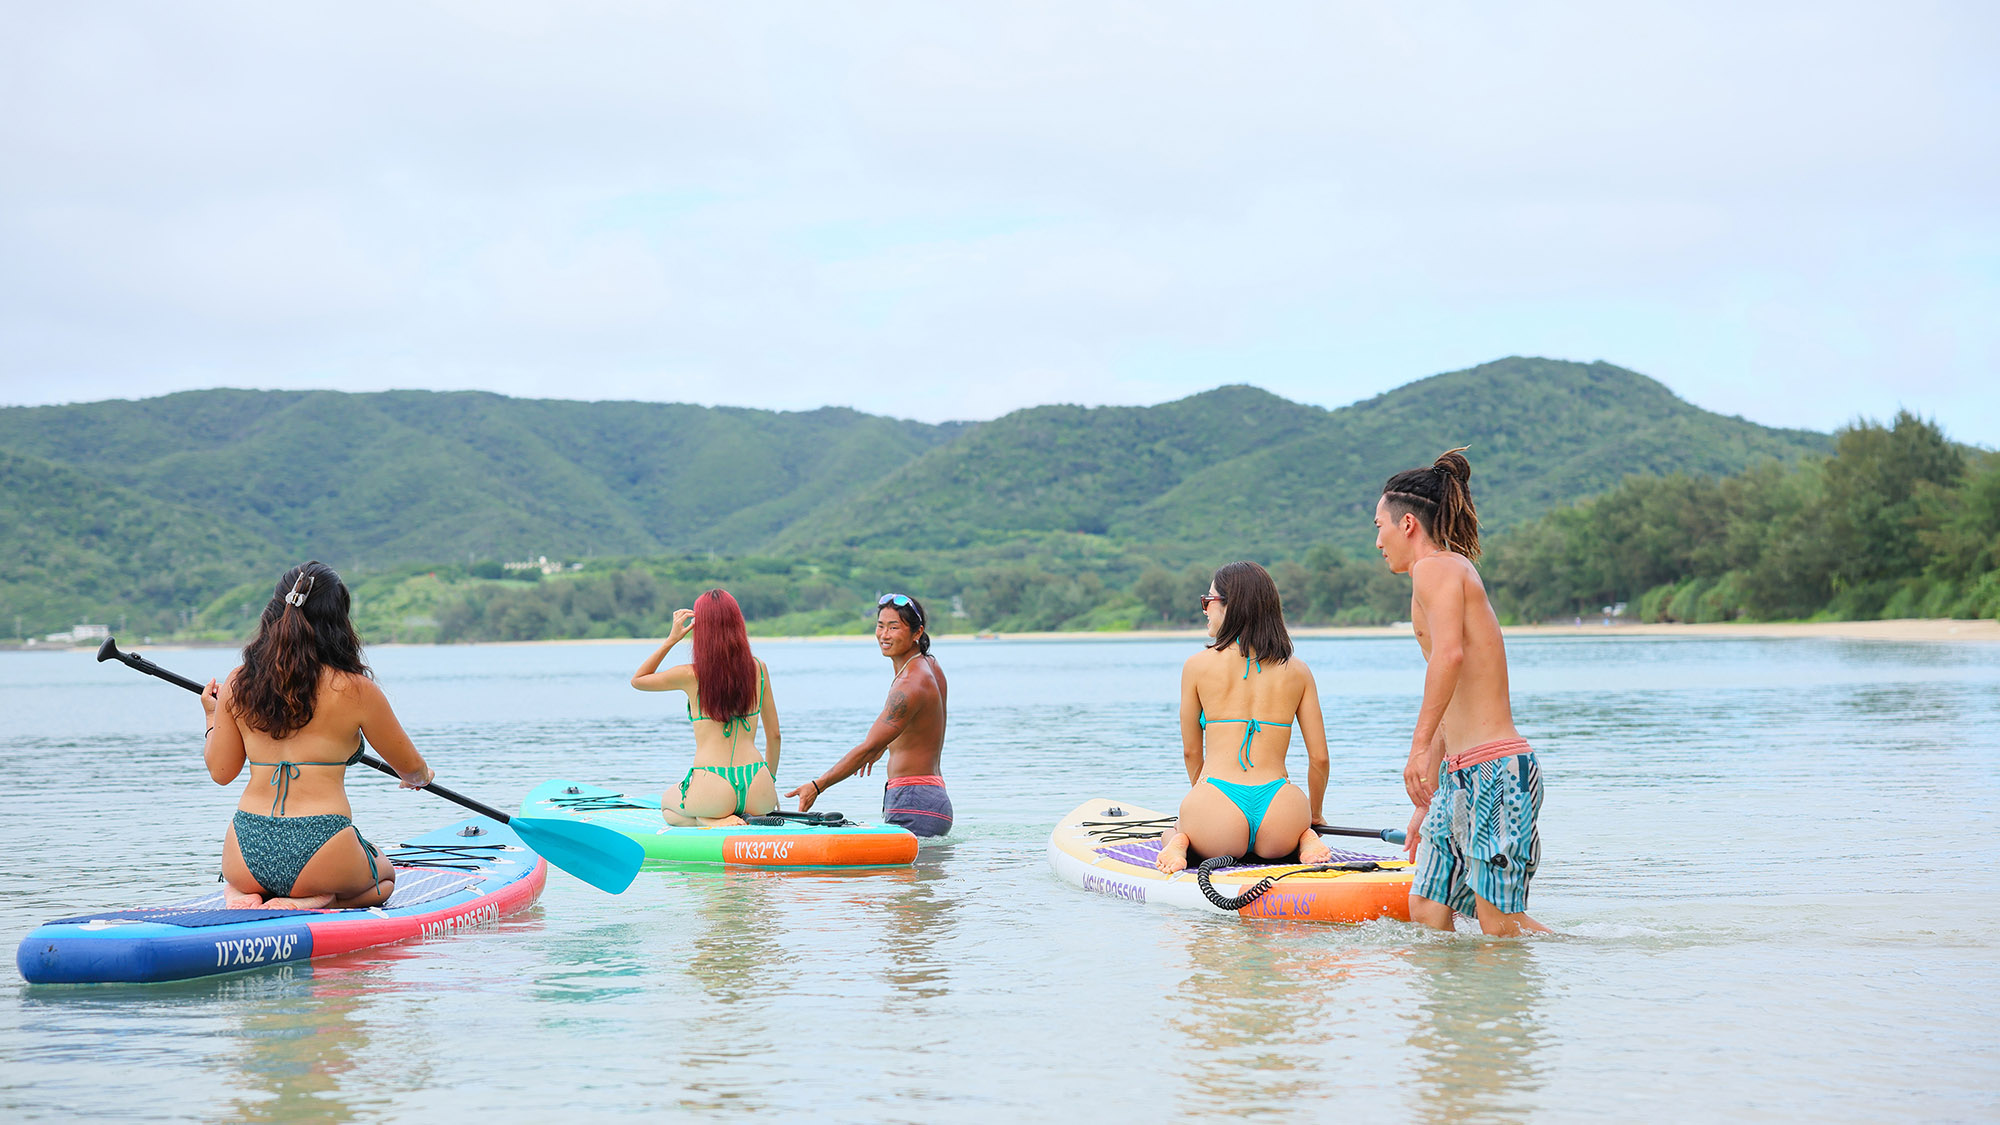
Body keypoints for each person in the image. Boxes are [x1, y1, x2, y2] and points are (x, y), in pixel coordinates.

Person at [1375, 448, 1550, 936]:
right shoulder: (1430, 579)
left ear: (1407, 524)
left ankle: (1595, 962)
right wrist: (1424, 799)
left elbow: (1449, 656)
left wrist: (1414, 748)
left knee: (1499, 923)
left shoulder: (1437, 569)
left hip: (1494, 770)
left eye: (1379, 527)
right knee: (1428, 909)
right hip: (1458, 775)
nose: (1378, 541)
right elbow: (1452, 692)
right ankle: (1455, 1012)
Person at [203, 562, 434, 910]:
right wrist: (420, 777)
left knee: (252, 880)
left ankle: (242, 895)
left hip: (246, 846)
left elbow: (221, 773)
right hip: (322, 845)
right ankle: (315, 900)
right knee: (385, 878)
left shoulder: (238, 683)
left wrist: (211, 715)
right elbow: (411, 769)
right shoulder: (357, 690)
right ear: (338, 621)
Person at [1156, 562, 1334, 874]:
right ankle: (1306, 838)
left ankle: (1179, 842)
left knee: (1170, 829)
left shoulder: (1197, 666)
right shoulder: (1298, 670)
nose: (1204, 610)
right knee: (1300, 828)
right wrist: (1313, 815)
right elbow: (1319, 758)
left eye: (1207, 601)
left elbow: (1191, 751)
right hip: (1282, 811)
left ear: (1230, 606)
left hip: (1216, 809)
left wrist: (1204, 801)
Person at [786, 594, 951, 837]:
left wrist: (817, 786)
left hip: (912, 800)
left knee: (905, 875)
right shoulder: (929, 665)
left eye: (894, 627)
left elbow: (867, 748)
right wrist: (885, 744)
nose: (884, 635)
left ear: (917, 633)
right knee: (925, 875)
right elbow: (922, 724)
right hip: (932, 796)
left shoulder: (909, 683)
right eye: (880, 625)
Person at [631, 589, 781, 825]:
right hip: (757, 783)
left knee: (668, 806)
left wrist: (672, 639)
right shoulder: (759, 669)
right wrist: (769, 783)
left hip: (713, 783)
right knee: (737, 801)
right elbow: (774, 736)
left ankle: (710, 821)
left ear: (701, 629)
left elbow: (638, 680)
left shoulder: (690, 674)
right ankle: (732, 815)